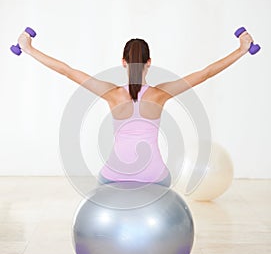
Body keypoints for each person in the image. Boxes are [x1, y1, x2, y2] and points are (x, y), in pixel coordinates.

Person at [17, 30, 253, 187]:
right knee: (165, 180)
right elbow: (206, 73)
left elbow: (66, 70)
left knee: (101, 183)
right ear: (149, 62)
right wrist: (242, 49)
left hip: (113, 177)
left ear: (123, 62)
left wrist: (28, 48)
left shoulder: (110, 93)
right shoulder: (161, 94)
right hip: (155, 177)